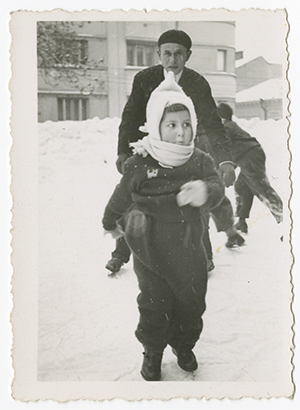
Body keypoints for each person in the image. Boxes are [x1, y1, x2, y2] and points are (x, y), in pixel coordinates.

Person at [102, 72, 225, 381]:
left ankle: (184, 345)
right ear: (156, 125)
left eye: (186, 125)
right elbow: (121, 195)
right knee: (154, 302)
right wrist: (109, 221)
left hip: (188, 245)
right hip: (149, 244)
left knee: (192, 301)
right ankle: (153, 350)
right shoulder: (140, 161)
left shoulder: (199, 160)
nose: (181, 133)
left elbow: (217, 186)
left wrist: (205, 192)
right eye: (171, 125)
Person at [105, 29, 243, 275]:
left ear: (187, 56)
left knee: (193, 201)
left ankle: (205, 256)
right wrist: (123, 152)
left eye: (178, 54)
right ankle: (120, 254)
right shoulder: (144, 79)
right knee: (135, 199)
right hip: (151, 149)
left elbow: (212, 123)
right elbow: (130, 118)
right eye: (167, 53)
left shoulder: (197, 82)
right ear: (158, 54)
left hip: (184, 151)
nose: (172, 59)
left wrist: (225, 160)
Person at [216, 103, 283, 233]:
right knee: (241, 186)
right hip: (248, 156)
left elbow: (224, 151)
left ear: (221, 117)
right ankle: (241, 221)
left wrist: (220, 170)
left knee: (261, 189)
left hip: (250, 157)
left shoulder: (226, 128)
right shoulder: (229, 126)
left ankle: (286, 221)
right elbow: (232, 152)